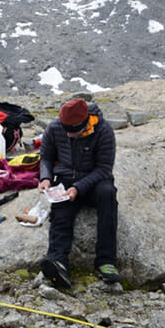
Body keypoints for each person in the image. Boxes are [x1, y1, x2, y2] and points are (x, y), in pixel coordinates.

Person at [37, 98, 119, 287]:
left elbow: (104, 168)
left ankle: (106, 262)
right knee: (60, 213)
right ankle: (58, 262)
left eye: (74, 131)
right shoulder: (55, 128)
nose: (70, 135)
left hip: (96, 181)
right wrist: (46, 178)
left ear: (85, 123)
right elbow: (46, 157)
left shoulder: (103, 130)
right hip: (66, 180)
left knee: (108, 196)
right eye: (67, 130)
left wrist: (79, 187)